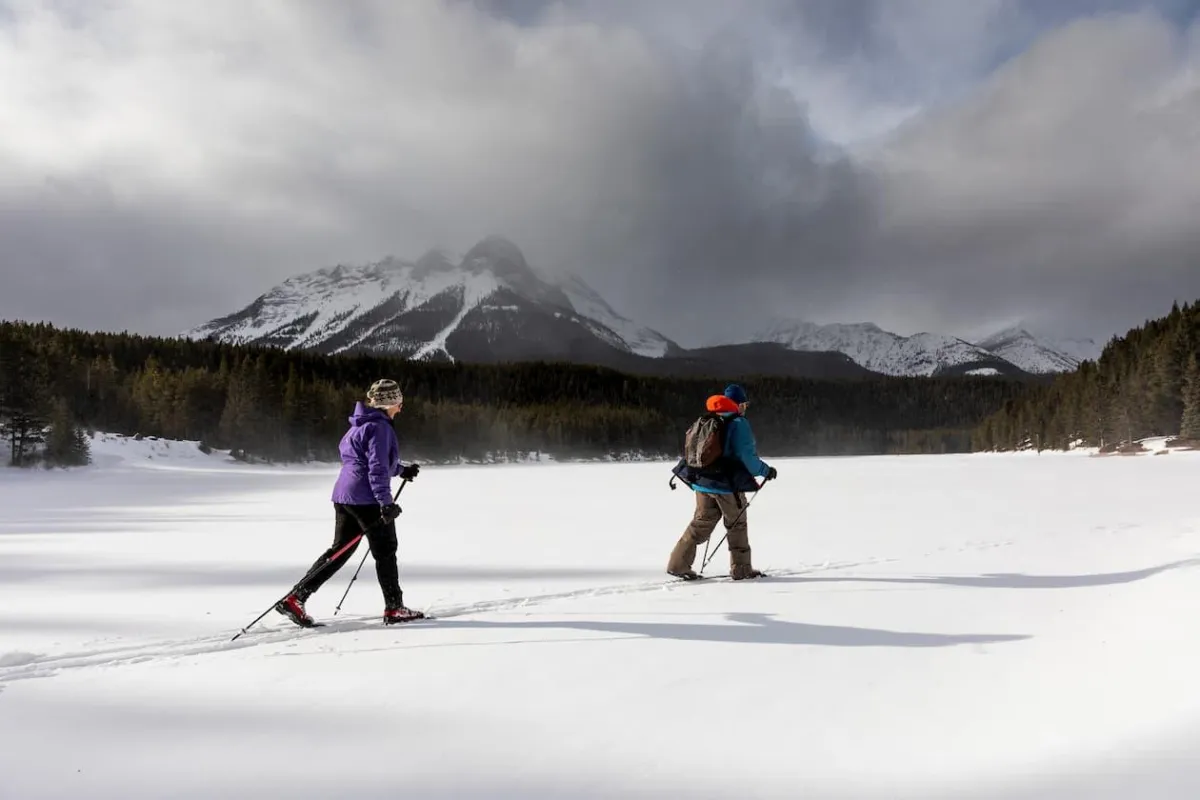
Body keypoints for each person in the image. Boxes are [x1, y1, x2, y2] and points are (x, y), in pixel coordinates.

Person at [275, 378, 423, 627]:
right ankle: (394, 608)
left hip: (345, 496)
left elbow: (364, 461)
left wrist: (400, 469)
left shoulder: (358, 425)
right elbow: (375, 468)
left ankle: (296, 597)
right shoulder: (381, 428)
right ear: (389, 403)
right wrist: (385, 503)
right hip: (367, 499)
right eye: (398, 402)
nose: (401, 407)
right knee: (385, 550)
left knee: (339, 551)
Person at [667, 383, 776, 580]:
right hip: (725, 484)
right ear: (739, 404)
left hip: (701, 481)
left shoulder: (709, 418)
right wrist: (765, 471)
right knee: (737, 524)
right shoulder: (738, 424)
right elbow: (748, 457)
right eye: (744, 404)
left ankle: (678, 564)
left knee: (700, 523)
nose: (745, 408)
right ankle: (741, 569)